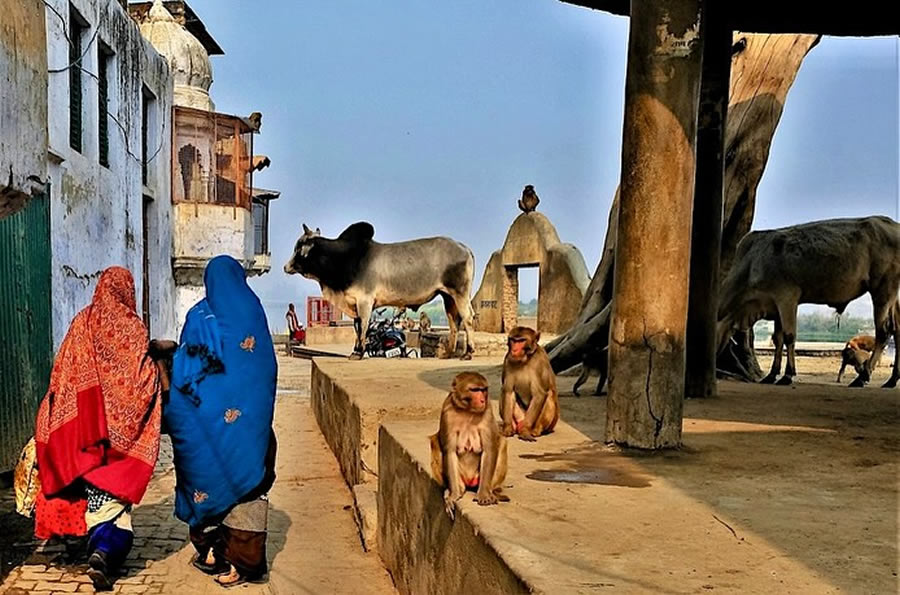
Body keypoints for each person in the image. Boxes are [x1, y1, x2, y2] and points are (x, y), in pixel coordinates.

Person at [34, 267, 173, 590]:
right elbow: (142, 380)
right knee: (113, 505)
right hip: (118, 443)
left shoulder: (82, 321)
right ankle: (104, 553)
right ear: (128, 292)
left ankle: (82, 544)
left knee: (86, 494)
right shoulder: (132, 328)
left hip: (84, 432)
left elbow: (63, 369)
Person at [166, 255, 277, 587]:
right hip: (250, 425)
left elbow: (187, 364)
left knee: (207, 475)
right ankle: (233, 559)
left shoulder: (198, 314)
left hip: (208, 421)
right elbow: (265, 368)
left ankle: (224, 556)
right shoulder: (253, 310)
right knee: (247, 481)